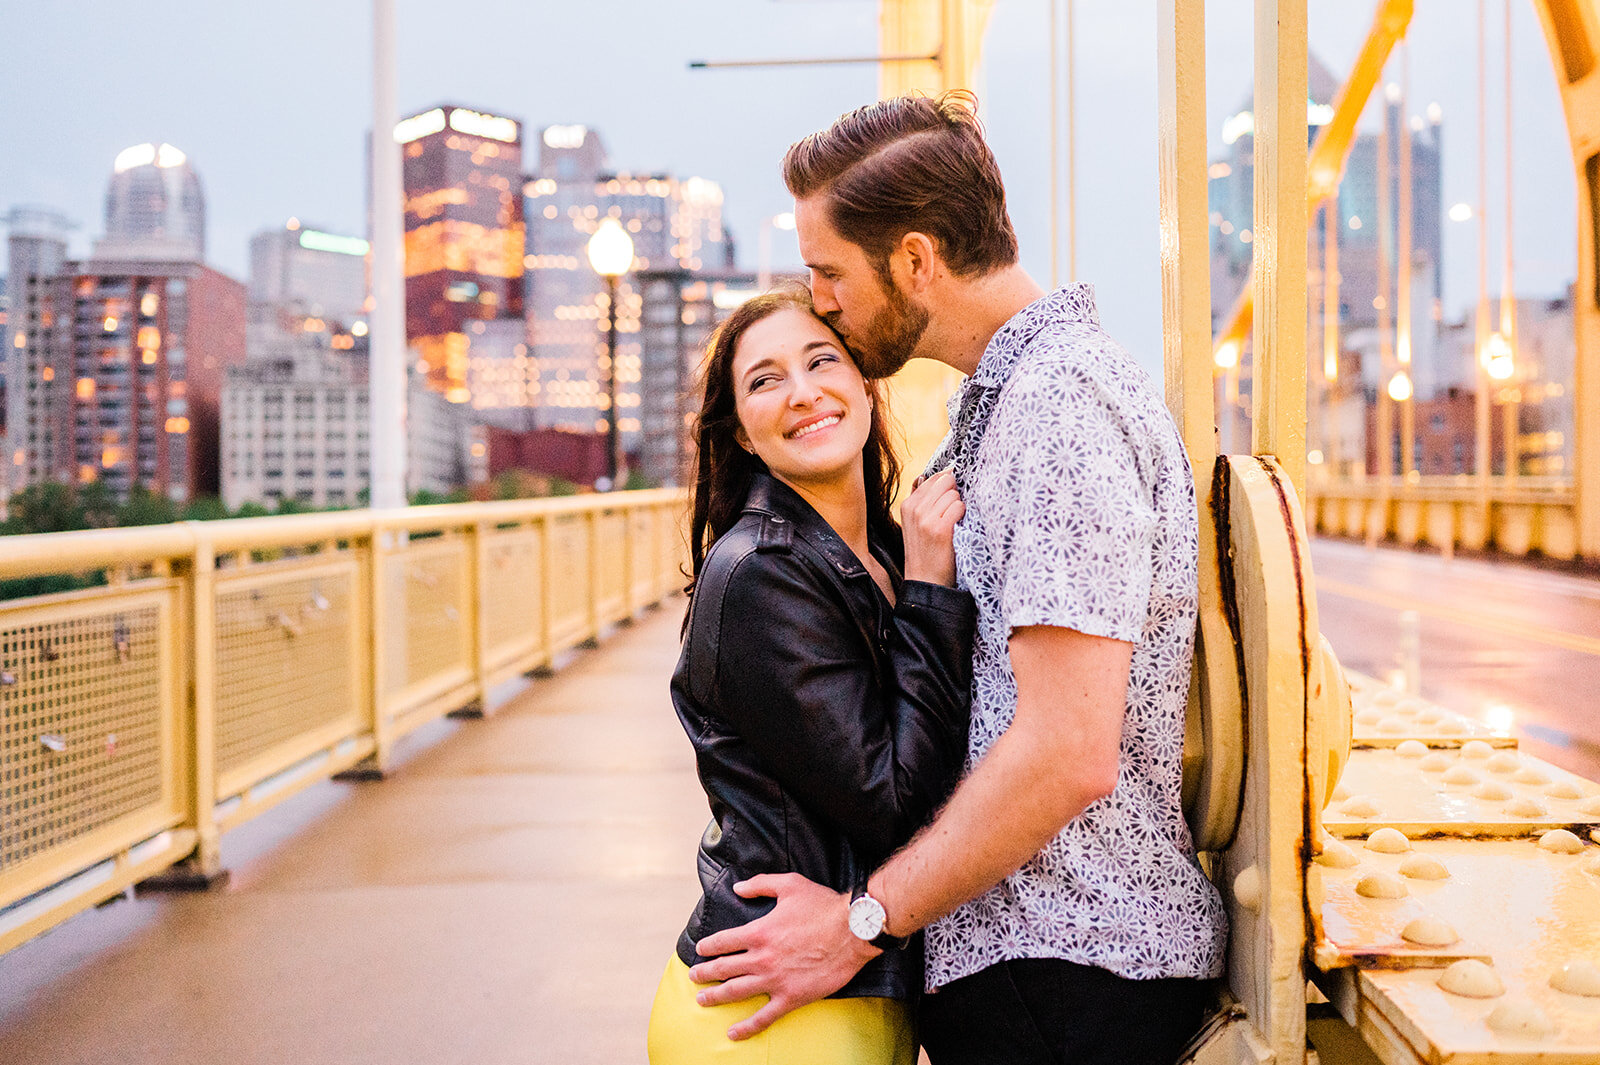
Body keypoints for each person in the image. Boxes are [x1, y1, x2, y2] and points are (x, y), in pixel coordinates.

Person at [687, 93, 1229, 1065]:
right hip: (1034, 969)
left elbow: (1068, 752)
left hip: (1068, 974)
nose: (822, 302)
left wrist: (859, 922)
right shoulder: (1008, 412)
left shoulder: (1059, 412)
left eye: (829, 274)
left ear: (913, 262)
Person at [647, 287, 977, 1064]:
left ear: (865, 382)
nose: (802, 392)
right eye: (764, 380)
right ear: (745, 436)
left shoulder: (883, 552)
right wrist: (932, 598)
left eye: (821, 359)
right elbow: (894, 799)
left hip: (838, 981)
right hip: (771, 1016)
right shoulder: (763, 573)